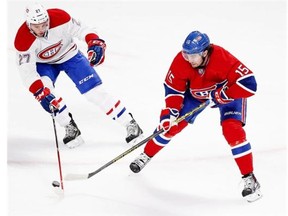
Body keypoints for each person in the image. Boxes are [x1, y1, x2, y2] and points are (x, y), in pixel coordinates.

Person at [130, 31, 262, 202]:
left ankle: (249, 178)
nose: (189, 59)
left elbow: (250, 84)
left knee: (232, 131)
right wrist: (169, 114)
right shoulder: (181, 61)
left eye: (193, 55)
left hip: (227, 92)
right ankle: (146, 155)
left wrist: (226, 94)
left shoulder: (223, 58)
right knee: (170, 127)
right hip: (195, 95)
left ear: (205, 52)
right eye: (186, 54)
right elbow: (173, 90)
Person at [14, 3, 143, 148]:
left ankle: (130, 123)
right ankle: (69, 126)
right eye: (37, 26)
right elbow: (27, 72)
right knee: (47, 94)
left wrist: (94, 42)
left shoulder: (60, 18)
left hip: (70, 55)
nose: (41, 29)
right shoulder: (22, 40)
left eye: (44, 24)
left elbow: (83, 29)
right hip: (44, 64)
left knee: (94, 93)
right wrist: (39, 92)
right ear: (28, 24)